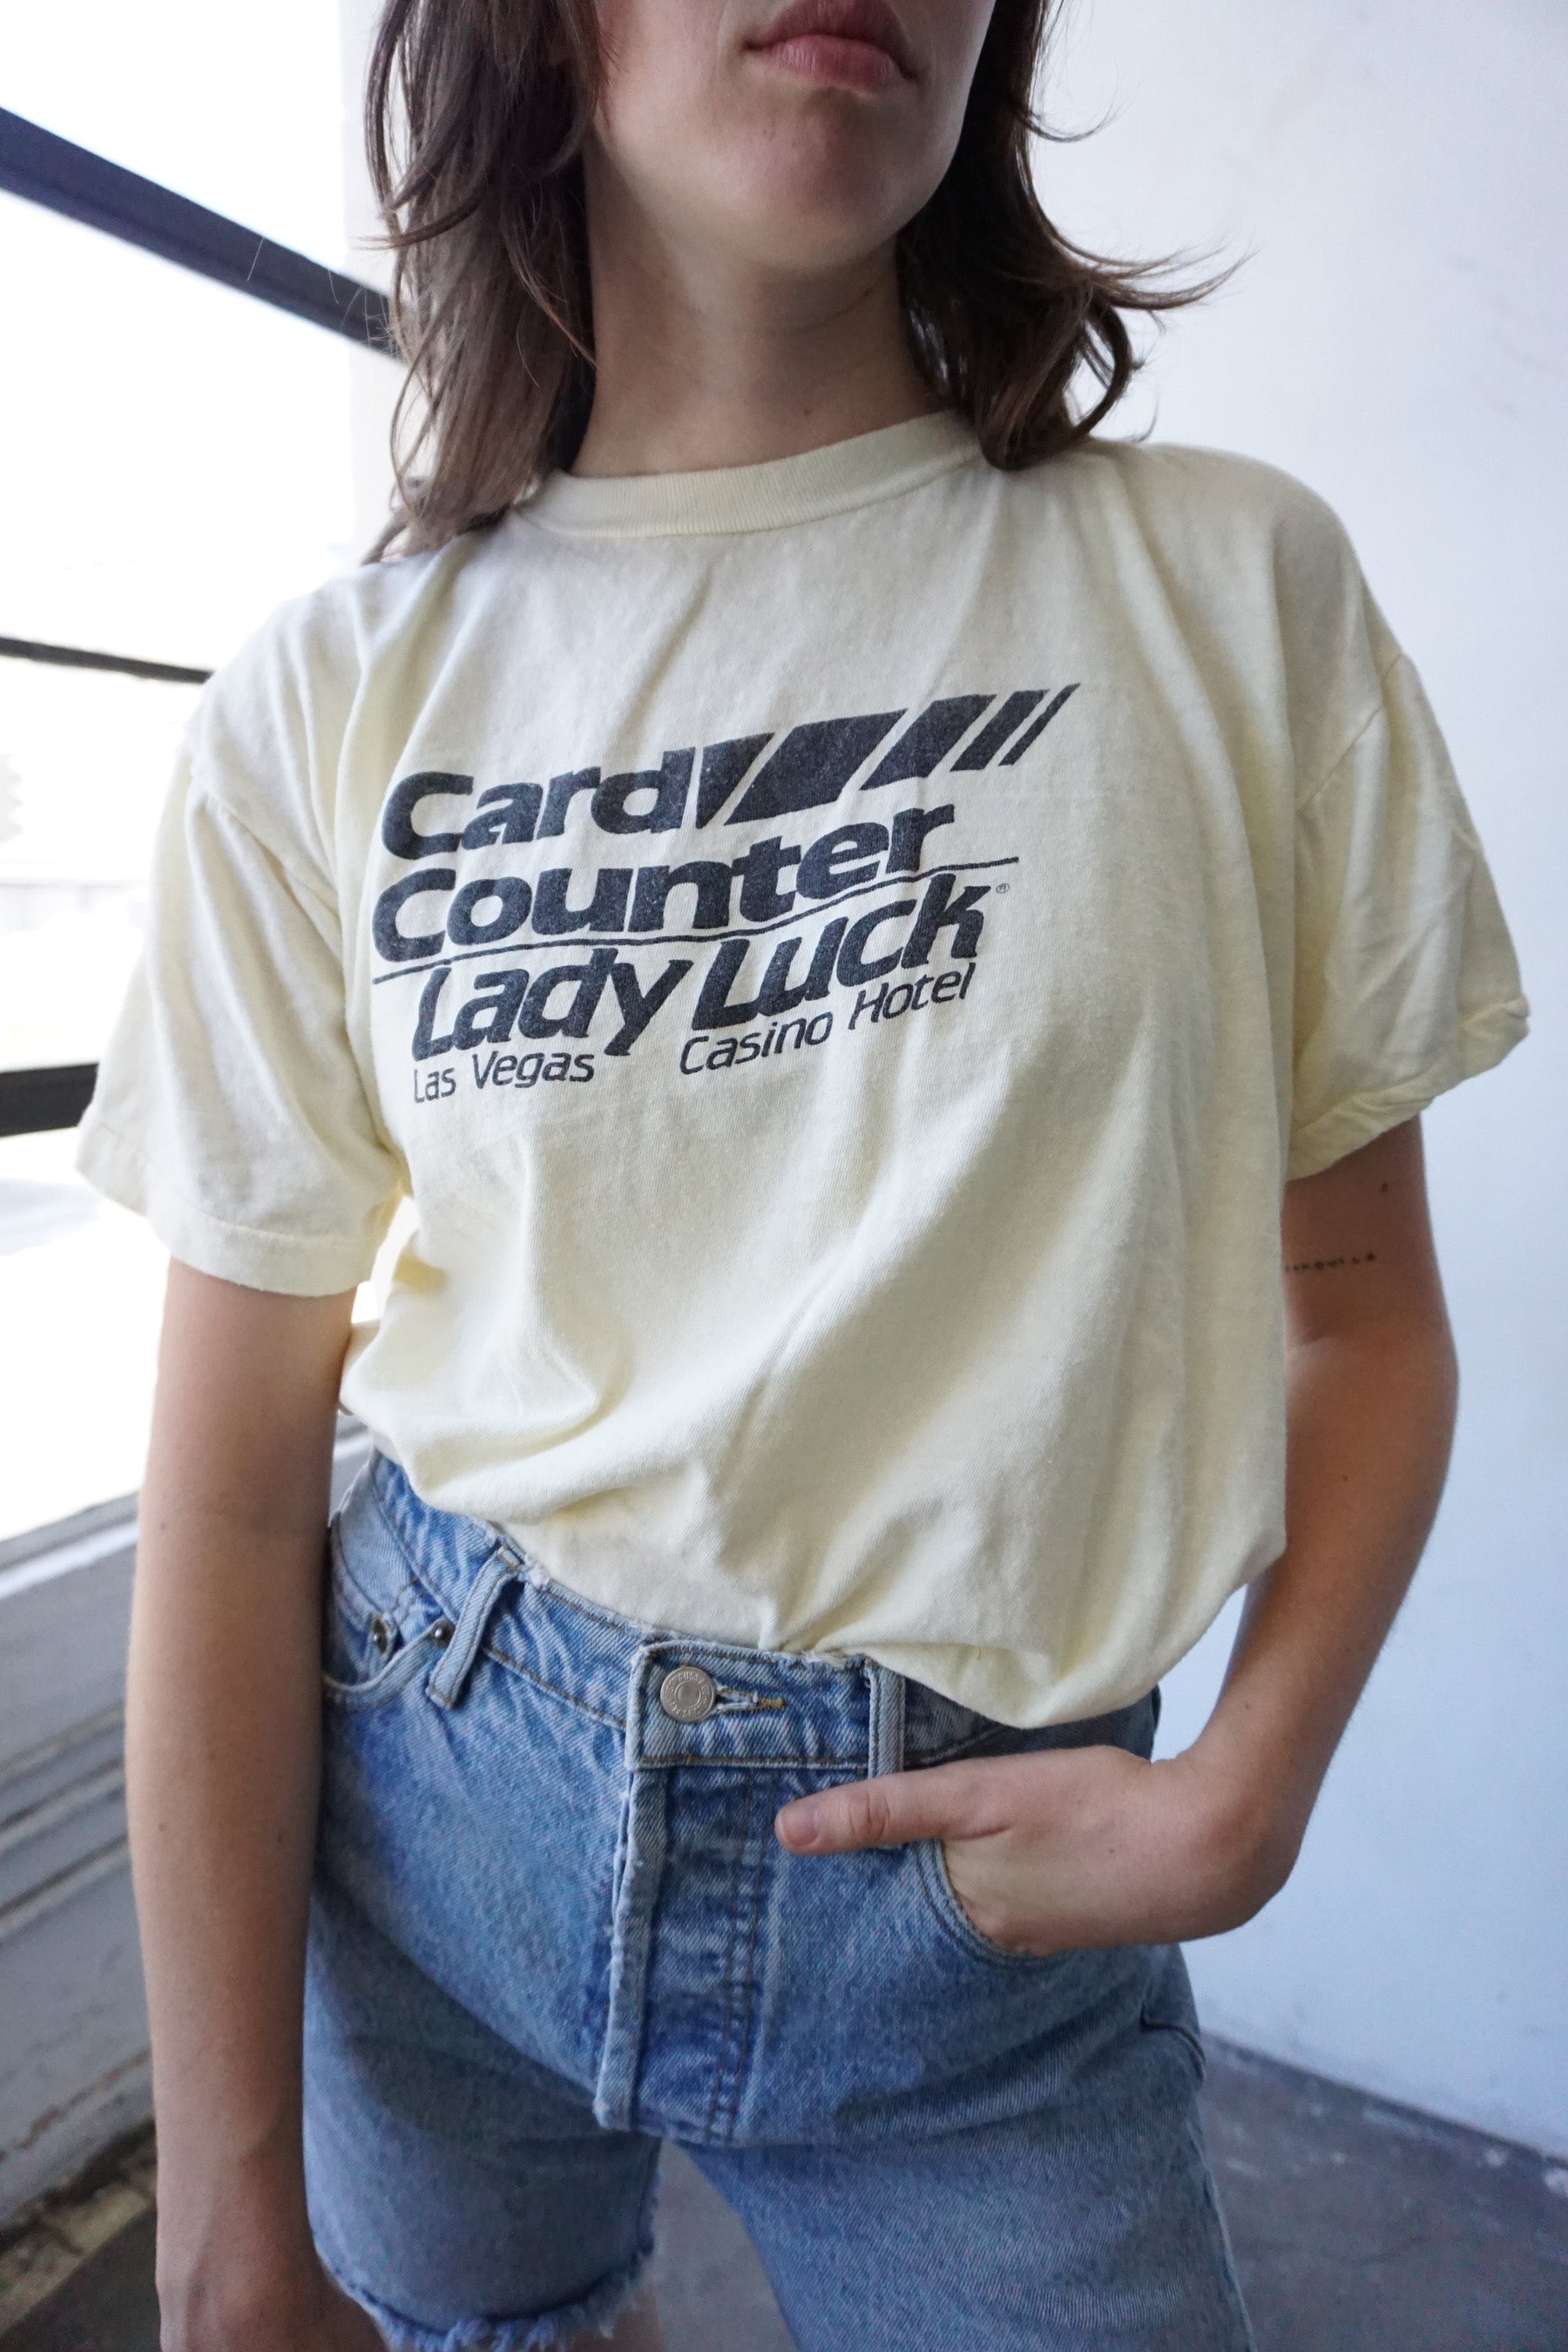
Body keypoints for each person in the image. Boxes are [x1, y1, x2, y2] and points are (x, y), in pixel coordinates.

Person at [77, 0, 1528, 2345]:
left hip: (975, 1930)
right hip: (434, 1805)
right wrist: (230, 2204)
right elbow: (235, 1490)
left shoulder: (1229, 586)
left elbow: (1361, 1311)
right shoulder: (326, 695)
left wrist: (1251, 1785)